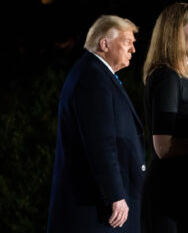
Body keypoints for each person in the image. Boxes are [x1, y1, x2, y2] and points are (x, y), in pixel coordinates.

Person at [47, 15, 146, 233]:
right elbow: (100, 141)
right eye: (128, 42)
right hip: (97, 211)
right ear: (105, 43)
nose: (133, 50)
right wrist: (115, 194)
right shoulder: (92, 78)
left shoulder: (97, 75)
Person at [141, 2, 188, 233]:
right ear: (175, 33)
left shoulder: (182, 80)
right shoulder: (166, 77)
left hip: (183, 196)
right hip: (168, 197)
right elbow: (163, 147)